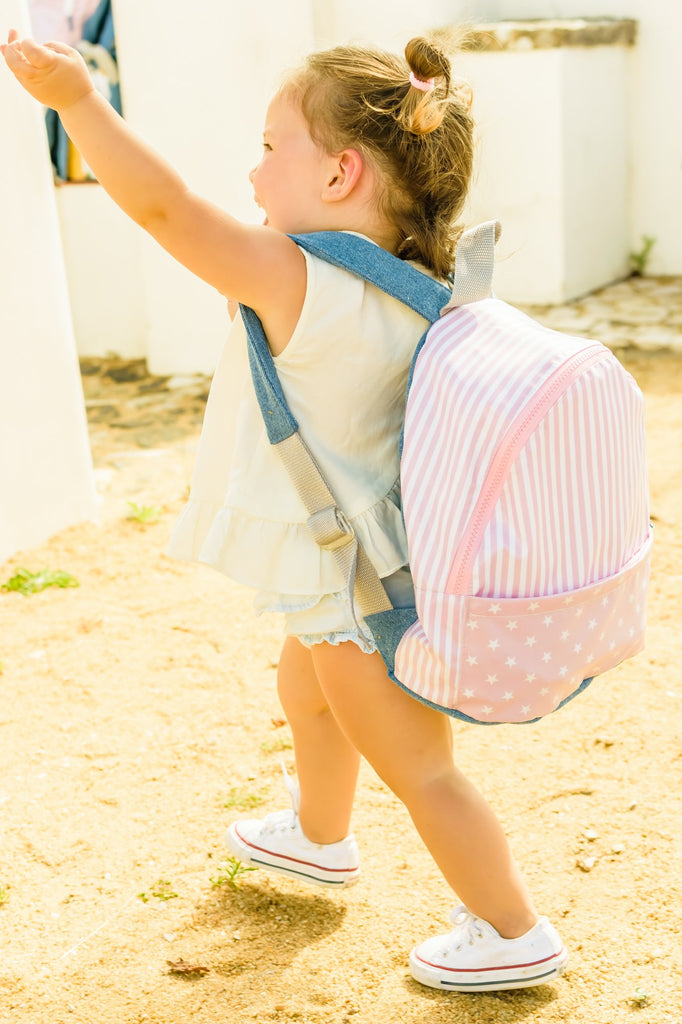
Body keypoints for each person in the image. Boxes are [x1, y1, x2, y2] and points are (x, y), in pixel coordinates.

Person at [1, 28, 568, 992]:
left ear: (343, 171)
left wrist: (77, 103)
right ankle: (317, 834)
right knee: (306, 694)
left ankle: (512, 929)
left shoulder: (304, 276)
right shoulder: (414, 281)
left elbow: (165, 209)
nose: (254, 170)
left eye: (272, 148)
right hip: (355, 563)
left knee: (420, 767)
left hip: (358, 587)